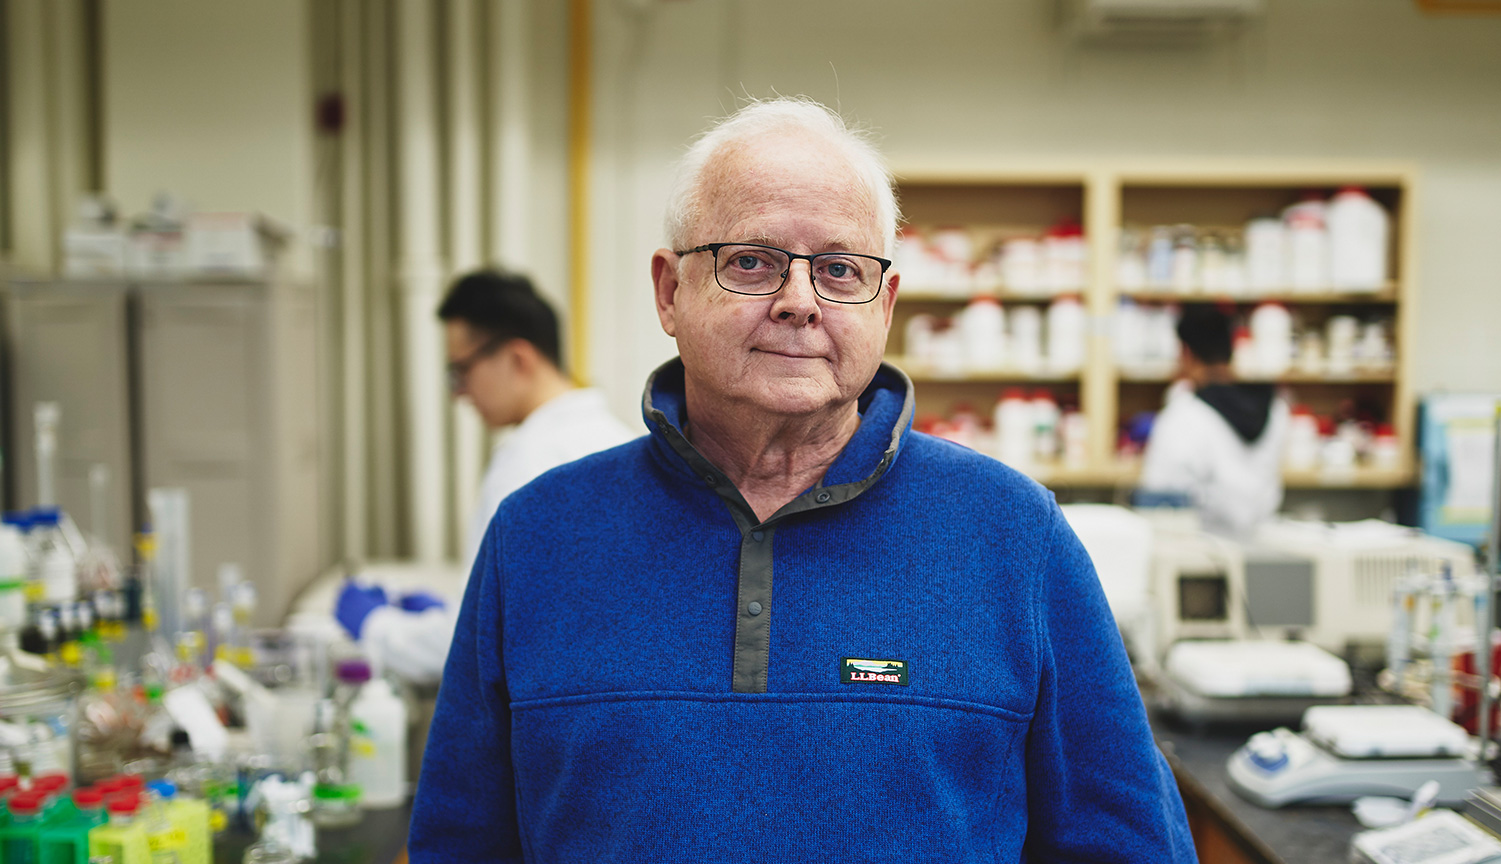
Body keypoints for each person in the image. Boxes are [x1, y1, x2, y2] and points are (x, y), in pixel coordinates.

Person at [410, 99, 1196, 861]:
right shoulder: (538, 536)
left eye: (839, 270)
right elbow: (460, 842)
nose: (799, 302)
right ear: (669, 292)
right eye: (750, 262)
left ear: (883, 304)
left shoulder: (1014, 536)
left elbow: (1128, 843)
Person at [334, 270, 636, 683]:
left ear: (517, 358)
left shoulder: (530, 463)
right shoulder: (618, 439)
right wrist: (452, 611)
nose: (458, 392)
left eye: (461, 370)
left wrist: (376, 627)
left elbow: (477, 645)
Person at [1140, 303, 1289, 538]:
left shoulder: (1183, 416)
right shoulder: (1275, 408)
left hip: (1204, 557)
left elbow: (1158, 497)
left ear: (1185, 353)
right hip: (1262, 549)